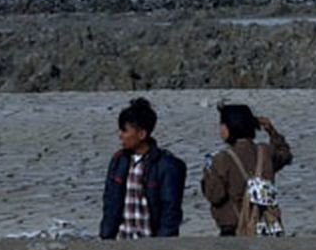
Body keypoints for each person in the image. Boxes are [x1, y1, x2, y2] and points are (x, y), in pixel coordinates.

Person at [100, 97, 186, 239]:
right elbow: (110, 203)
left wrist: (163, 242)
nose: (120, 135)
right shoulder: (118, 161)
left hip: (150, 243)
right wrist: (106, 235)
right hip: (121, 240)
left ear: (141, 134)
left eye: (125, 131)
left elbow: (170, 210)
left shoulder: (165, 165)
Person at [201, 104, 293, 236]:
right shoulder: (265, 151)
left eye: (222, 124)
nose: (220, 129)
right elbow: (285, 155)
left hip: (234, 227)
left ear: (229, 127)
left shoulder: (221, 159)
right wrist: (272, 131)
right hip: (263, 225)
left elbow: (215, 196)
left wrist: (207, 174)